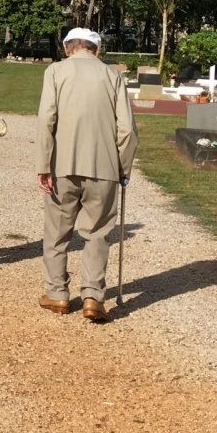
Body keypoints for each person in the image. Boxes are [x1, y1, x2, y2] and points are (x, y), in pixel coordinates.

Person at [35, 27, 137, 321]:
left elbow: (46, 120)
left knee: (57, 233)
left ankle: (57, 293)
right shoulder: (112, 76)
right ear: (96, 49)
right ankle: (93, 296)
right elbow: (127, 129)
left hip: (62, 166)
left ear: (68, 47)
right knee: (98, 234)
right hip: (104, 167)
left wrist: (44, 165)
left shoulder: (56, 71)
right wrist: (122, 168)